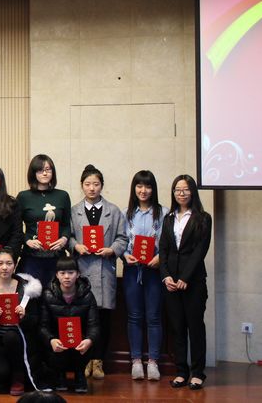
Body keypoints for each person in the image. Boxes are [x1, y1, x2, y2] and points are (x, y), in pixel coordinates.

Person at [69, 164, 127, 380]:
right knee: (83, 317)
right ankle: (85, 360)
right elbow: (68, 236)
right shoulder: (74, 211)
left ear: (102, 185)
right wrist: (76, 246)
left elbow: (123, 238)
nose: (92, 188)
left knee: (103, 319)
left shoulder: (114, 211)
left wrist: (112, 249)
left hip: (104, 270)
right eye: (87, 184)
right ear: (82, 186)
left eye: (96, 184)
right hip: (82, 270)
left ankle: (99, 361)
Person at [159, 174, 212, 391]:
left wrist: (185, 278)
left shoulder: (203, 218)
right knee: (177, 328)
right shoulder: (168, 218)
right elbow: (163, 249)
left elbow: (200, 250)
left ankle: (198, 373)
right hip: (171, 283)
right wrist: (166, 276)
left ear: (193, 192)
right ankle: (181, 372)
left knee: (195, 327)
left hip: (194, 282)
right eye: (177, 190)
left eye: (186, 189)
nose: (181, 193)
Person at [0, 247, 43, 396]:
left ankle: (18, 375)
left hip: (20, 340)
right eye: (0, 263)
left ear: (15, 265)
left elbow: (36, 320)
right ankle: (7, 372)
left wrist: (24, 316)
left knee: (11, 336)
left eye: (9, 263)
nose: (4, 267)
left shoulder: (27, 288)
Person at [122, 170, 168, 381]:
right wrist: (125, 255)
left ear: (153, 189)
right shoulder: (126, 214)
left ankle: (153, 362)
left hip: (154, 271)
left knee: (154, 317)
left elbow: (169, 242)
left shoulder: (163, 213)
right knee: (134, 316)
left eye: (148, 186)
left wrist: (160, 258)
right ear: (134, 188)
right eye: (139, 186)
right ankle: (136, 361)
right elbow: (121, 241)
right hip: (132, 271)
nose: (143, 190)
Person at [39, 257, 99, 394]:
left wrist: (89, 340)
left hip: (80, 342)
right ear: (56, 275)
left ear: (78, 274)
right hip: (57, 342)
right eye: (62, 273)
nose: (66, 277)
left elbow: (94, 326)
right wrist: (51, 340)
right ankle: (59, 374)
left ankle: (80, 374)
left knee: (91, 340)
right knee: (46, 344)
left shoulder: (88, 295)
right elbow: (42, 326)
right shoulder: (48, 295)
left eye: (71, 273)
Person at [17, 155, 72, 290]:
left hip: (56, 256)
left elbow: (66, 224)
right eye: (40, 170)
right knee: (31, 296)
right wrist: (27, 241)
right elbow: (16, 228)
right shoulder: (23, 197)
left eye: (48, 169)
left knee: (55, 294)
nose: (45, 173)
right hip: (32, 256)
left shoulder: (63, 196)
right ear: (33, 173)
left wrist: (64, 239)